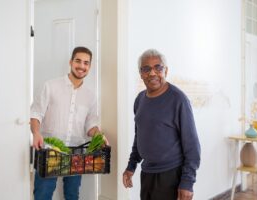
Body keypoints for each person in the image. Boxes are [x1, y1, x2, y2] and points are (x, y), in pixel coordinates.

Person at [30, 46, 107, 200]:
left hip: (77, 153)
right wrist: (36, 133)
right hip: (49, 151)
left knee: (72, 195)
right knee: (43, 195)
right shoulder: (50, 86)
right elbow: (36, 113)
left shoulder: (90, 96)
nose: (82, 66)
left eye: (86, 63)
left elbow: (91, 124)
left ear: (89, 67)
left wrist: (99, 136)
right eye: (78, 61)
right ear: (71, 62)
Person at [122, 49, 201, 200]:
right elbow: (140, 136)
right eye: (146, 69)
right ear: (141, 74)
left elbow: (192, 146)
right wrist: (131, 166)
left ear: (166, 70)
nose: (152, 73)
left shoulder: (178, 100)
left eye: (158, 67)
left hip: (171, 175)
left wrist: (187, 182)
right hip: (147, 174)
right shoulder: (139, 100)